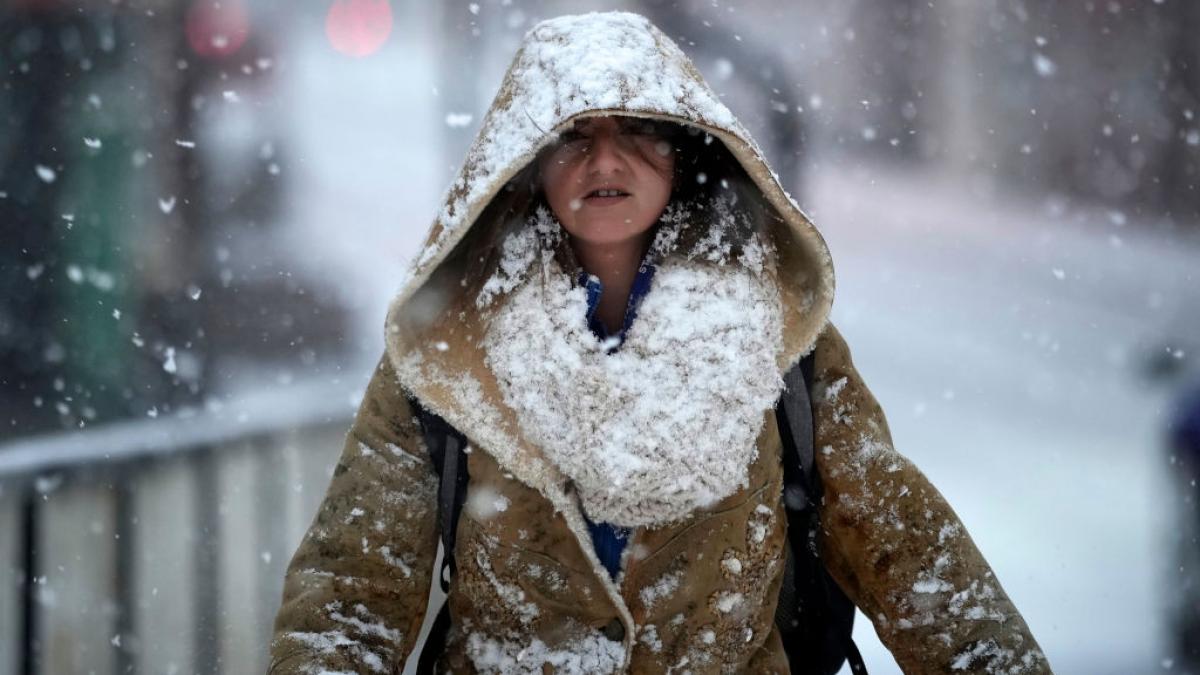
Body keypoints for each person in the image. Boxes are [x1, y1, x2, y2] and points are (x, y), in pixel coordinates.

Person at [267, 12, 1049, 674]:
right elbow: (351, 594)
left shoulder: (781, 339)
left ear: (686, 151)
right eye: (573, 135)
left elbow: (908, 552)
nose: (606, 161)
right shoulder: (448, 354)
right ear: (527, 163)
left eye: (639, 130)